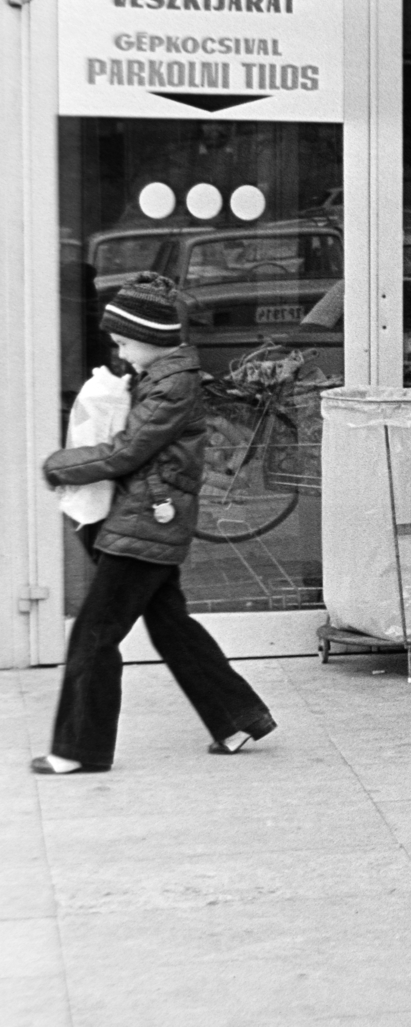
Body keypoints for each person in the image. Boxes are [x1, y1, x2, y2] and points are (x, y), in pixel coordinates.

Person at [36, 273, 277, 774]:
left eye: (124, 342)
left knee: (94, 634)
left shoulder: (172, 386)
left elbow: (128, 451)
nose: (121, 352)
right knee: (171, 628)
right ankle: (237, 718)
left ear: (151, 339)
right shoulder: (162, 379)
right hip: (151, 518)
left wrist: (61, 465)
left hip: (146, 524)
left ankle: (79, 750)